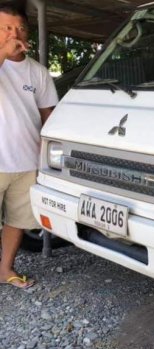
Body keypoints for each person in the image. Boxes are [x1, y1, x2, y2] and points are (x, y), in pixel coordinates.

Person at [0, 4, 57, 288]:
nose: (14, 34)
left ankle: (5, 269)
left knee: (16, 220)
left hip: (26, 161)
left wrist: (45, 157)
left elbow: (49, 117)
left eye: (19, 28)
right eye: (5, 28)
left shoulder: (38, 72)